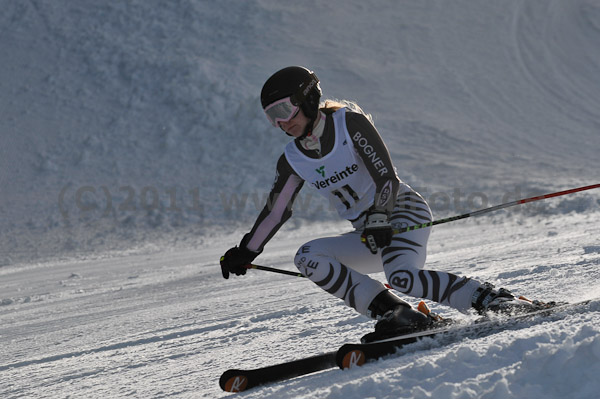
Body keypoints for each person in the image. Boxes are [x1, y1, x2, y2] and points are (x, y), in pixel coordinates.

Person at [220, 66, 544, 342]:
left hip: (402, 212)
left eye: (283, 111)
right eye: (271, 117)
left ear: (306, 99)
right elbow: (278, 210)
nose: (280, 123)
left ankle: (492, 300)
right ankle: (398, 315)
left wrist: (380, 215)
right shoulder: (292, 158)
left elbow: (387, 178)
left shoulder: (349, 124)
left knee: (403, 276)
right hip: (368, 232)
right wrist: (247, 251)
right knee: (308, 257)